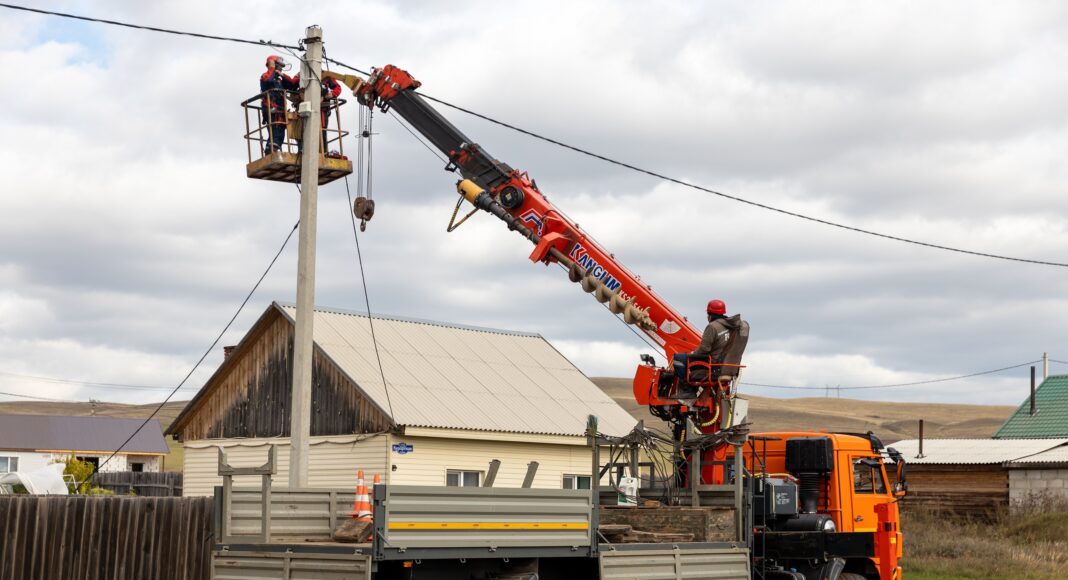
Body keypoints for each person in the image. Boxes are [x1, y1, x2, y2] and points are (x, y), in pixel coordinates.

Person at [688, 299, 746, 387]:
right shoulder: (732, 327)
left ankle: (687, 390)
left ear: (709, 315)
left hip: (714, 366)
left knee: (680, 359)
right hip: (728, 367)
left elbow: (704, 349)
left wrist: (692, 354)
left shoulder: (712, 327)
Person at [293, 73, 343, 154]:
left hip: (321, 110)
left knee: (322, 131)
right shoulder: (303, 72)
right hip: (303, 108)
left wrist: (332, 94)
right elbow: (293, 83)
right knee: (301, 129)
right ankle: (302, 149)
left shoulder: (325, 76)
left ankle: (323, 151)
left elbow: (338, 88)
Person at [260, 55, 297, 155]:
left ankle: (272, 149)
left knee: (280, 131)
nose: (281, 68)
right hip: (271, 108)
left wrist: (283, 75)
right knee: (275, 130)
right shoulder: (265, 76)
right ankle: (270, 149)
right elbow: (268, 81)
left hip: (280, 109)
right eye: (279, 65)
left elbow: (292, 85)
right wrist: (272, 68)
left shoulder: (279, 79)